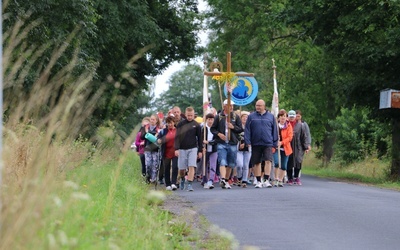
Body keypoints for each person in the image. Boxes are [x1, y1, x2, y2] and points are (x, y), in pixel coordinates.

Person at [244, 99, 278, 188]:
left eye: (260, 105)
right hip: (255, 142)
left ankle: (266, 180)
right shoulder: (251, 117)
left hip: (268, 142)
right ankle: (258, 180)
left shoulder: (271, 117)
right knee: (256, 162)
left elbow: (275, 130)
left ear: (264, 106)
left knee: (268, 160)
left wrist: (275, 142)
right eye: (256, 105)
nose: (258, 107)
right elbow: (247, 130)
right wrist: (247, 141)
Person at [210, 99, 243, 189]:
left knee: (231, 163)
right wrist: (219, 134)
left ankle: (226, 180)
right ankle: (223, 179)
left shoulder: (236, 117)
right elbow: (212, 129)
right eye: (229, 105)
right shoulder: (218, 117)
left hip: (232, 142)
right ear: (224, 106)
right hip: (222, 143)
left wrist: (233, 127)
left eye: (232, 106)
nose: (231, 107)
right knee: (222, 161)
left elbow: (240, 129)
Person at [174, 107, 203, 191]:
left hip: (193, 148)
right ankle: (182, 178)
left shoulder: (197, 125)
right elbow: (177, 137)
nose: (190, 117)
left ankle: (190, 183)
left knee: (192, 166)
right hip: (182, 148)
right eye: (188, 115)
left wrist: (200, 150)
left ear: (194, 115)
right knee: (182, 168)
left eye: (191, 115)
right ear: (185, 115)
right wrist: (176, 149)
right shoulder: (181, 124)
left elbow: (200, 138)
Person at [287, 110, 311, 185]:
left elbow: (304, 136)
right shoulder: (286, 124)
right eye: (290, 117)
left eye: (293, 117)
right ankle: (290, 178)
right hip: (289, 146)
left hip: (298, 146)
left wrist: (306, 146)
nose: (291, 118)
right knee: (289, 162)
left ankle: (296, 177)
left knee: (298, 161)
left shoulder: (300, 125)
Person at [157, 116, 178, 191]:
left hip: (175, 152)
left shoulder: (178, 130)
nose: (170, 124)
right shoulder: (163, 131)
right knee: (167, 168)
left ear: (174, 122)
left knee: (175, 167)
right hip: (166, 152)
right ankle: (168, 184)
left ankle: (173, 183)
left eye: (171, 123)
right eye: (168, 123)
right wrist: (159, 140)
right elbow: (158, 139)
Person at [273, 111, 293, 187]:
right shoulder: (275, 126)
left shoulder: (288, 126)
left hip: (285, 148)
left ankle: (280, 179)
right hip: (276, 148)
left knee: (284, 165)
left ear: (286, 117)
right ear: (279, 117)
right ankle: (275, 178)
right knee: (277, 163)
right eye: (281, 116)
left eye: (284, 116)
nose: (283, 117)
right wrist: (275, 140)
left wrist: (282, 142)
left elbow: (290, 137)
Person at [140, 114, 161, 183]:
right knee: (148, 164)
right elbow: (142, 137)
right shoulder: (146, 127)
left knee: (154, 164)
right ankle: (148, 177)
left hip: (155, 149)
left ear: (156, 121)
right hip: (147, 148)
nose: (152, 121)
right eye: (151, 119)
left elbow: (157, 139)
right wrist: (146, 132)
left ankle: (154, 179)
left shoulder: (158, 129)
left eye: (153, 119)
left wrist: (149, 133)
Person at [202, 113, 218, 189]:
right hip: (205, 149)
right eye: (209, 119)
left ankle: (211, 179)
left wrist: (209, 142)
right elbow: (200, 139)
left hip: (213, 149)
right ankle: (204, 179)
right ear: (206, 120)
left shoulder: (216, 129)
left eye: (212, 119)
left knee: (212, 164)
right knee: (204, 164)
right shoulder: (204, 129)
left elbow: (217, 140)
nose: (210, 121)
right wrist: (202, 146)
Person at [236, 111, 251, 188]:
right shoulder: (238, 127)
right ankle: (239, 177)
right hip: (239, 148)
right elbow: (235, 136)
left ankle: (244, 180)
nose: (245, 118)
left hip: (247, 148)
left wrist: (245, 144)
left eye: (247, 117)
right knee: (239, 164)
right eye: (243, 117)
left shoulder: (250, 127)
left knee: (245, 165)